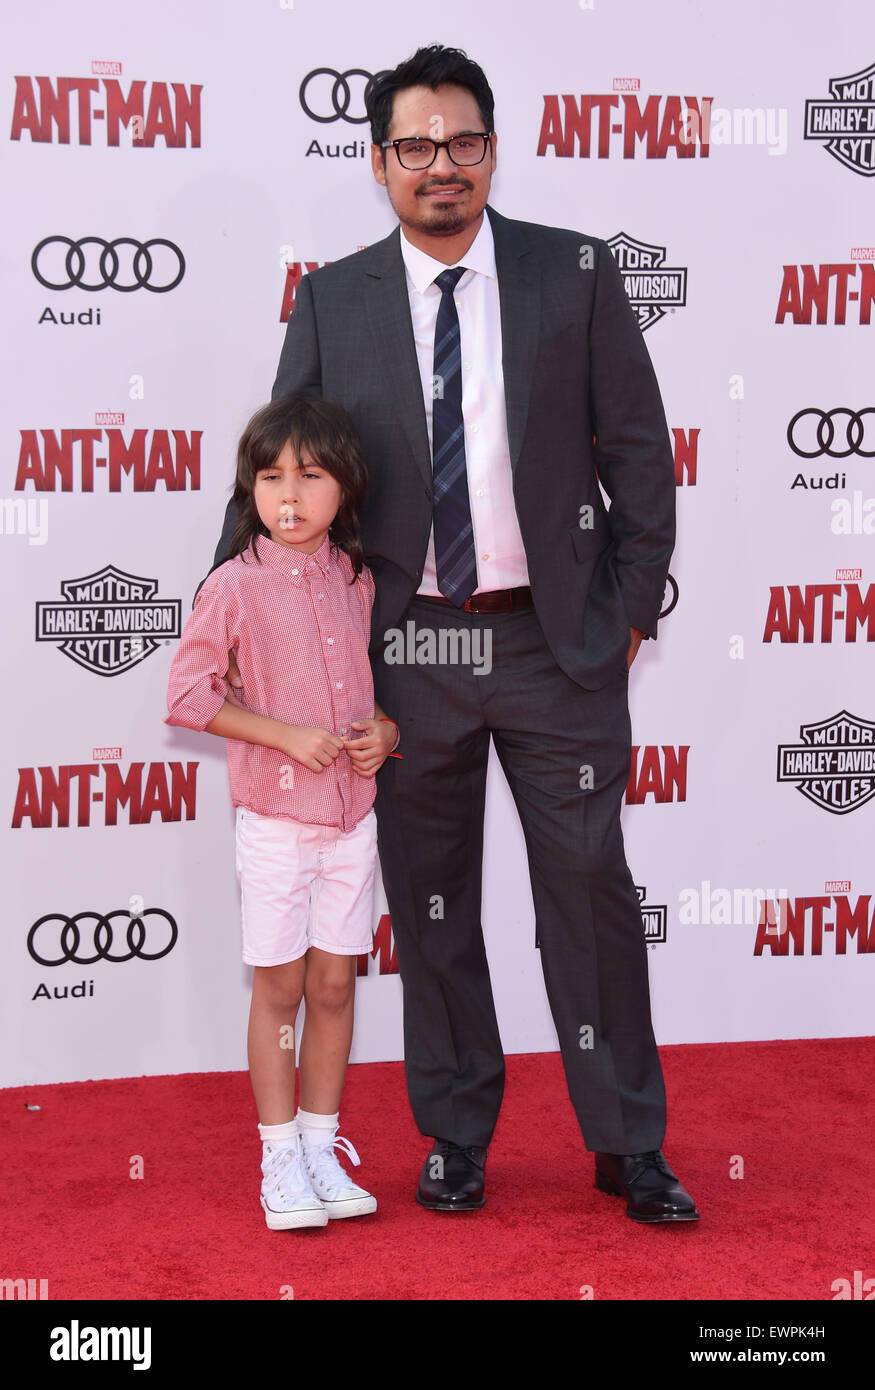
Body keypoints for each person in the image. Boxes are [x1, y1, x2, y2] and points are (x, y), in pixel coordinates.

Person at [208, 45, 699, 1223]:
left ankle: (628, 1142)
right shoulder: (334, 296)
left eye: (463, 143)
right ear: (378, 163)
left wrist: (627, 612)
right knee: (431, 898)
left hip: (549, 644)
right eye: (416, 147)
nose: (442, 166)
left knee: (586, 889)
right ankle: (456, 1132)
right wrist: (230, 613)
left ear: (491, 150)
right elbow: (285, 458)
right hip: (404, 652)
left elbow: (637, 448)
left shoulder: (570, 275)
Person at [167, 394, 399, 1230]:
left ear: (346, 487)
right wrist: (281, 736)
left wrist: (383, 733)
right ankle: (276, 1156)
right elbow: (189, 697)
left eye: (309, 474)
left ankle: (320, 1144)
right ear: (250, 490)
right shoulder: (233, 586)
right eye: (270, 477)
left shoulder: (356, 580)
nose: (289, 494)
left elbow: (370, 698)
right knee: (281, 987)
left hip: (351, 820)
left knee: (335, 984)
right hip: (273, 822)